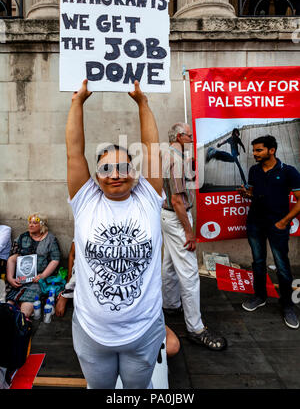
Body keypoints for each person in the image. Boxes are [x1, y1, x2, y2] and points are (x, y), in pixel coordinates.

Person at [66, 79, 166, 389]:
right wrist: (77, 102)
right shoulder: (85, 201)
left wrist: (143, 103)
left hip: (144, 330)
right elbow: (74, 153)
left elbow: (151, 149)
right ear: (96, 177)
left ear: (135, 172)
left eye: (123, 167)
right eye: (107, 169)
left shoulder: (149, 197)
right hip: (91, 332)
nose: (116, 175)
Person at [161, 122, 227, 350]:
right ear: (179, 136)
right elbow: (178, 200)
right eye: (189, 135)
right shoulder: (175, 160)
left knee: (169, 263)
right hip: (177, 218)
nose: (191, 138)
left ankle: (169, 304)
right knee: (189, 275)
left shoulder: (165, 154)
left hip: (167, 217)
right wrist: (189, 232)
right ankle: (196, 328)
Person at [55, 241, 180, 358]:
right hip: (104, 326)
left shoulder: (137, 252)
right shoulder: (93, 249)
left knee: (172, 346)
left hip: (134, 319)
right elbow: (76, 265)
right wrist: (66, 294)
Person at [239, 135, 300, 329]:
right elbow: (254, 193)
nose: (254, 154)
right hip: (255, 224)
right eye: (254, 150)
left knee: (282, 265)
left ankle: (288, 305)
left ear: (271, 150)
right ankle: (260, 296)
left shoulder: (288, 171)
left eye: (259, 150)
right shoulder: (254, 170)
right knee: (258, 262)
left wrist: (284, 222)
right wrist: (247, 194)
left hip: (277, 226)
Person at [5, 213, 61, 318]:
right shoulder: (22, 237)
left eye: (34, 223)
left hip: (38, 279)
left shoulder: (50, 239)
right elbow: (12, 258)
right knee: (8, 304)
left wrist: (42, 275)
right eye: (30, 222)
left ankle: (21, 323)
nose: (30, 225)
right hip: (21, 278)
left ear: (42, 225)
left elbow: (55, 259)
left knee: (26, 306)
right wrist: (10, 278)